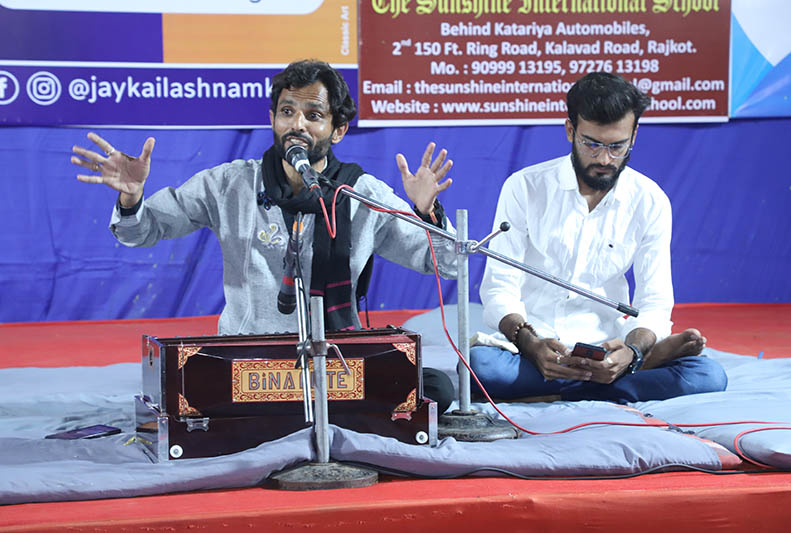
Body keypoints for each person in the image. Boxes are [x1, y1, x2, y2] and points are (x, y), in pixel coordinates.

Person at [71, 59, 456, 413]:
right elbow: (141, 231)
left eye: (313, 115)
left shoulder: (360, 194)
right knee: (183, 389)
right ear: (272, 119)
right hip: (249, 364)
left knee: (435, 388)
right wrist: (132, 198)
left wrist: (429, 213)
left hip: (338, 363)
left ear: (338, 130)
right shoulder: (229, 184)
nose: (297, 125)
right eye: (287, 112)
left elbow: (445, 262)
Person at [470, 72, 727, 403]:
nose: (604, 159)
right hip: (535, 348)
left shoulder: (650, 200)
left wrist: (632, 351)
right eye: (591, 144)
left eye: (616, 146)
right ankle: (627, 376)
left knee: (708, 375)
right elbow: (499, 287)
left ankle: (598, 378)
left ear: (634, 136)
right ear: (570, 130)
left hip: (609, 350)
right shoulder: (525, 187)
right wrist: (530, 344)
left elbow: (655, 302)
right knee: (481, 367)